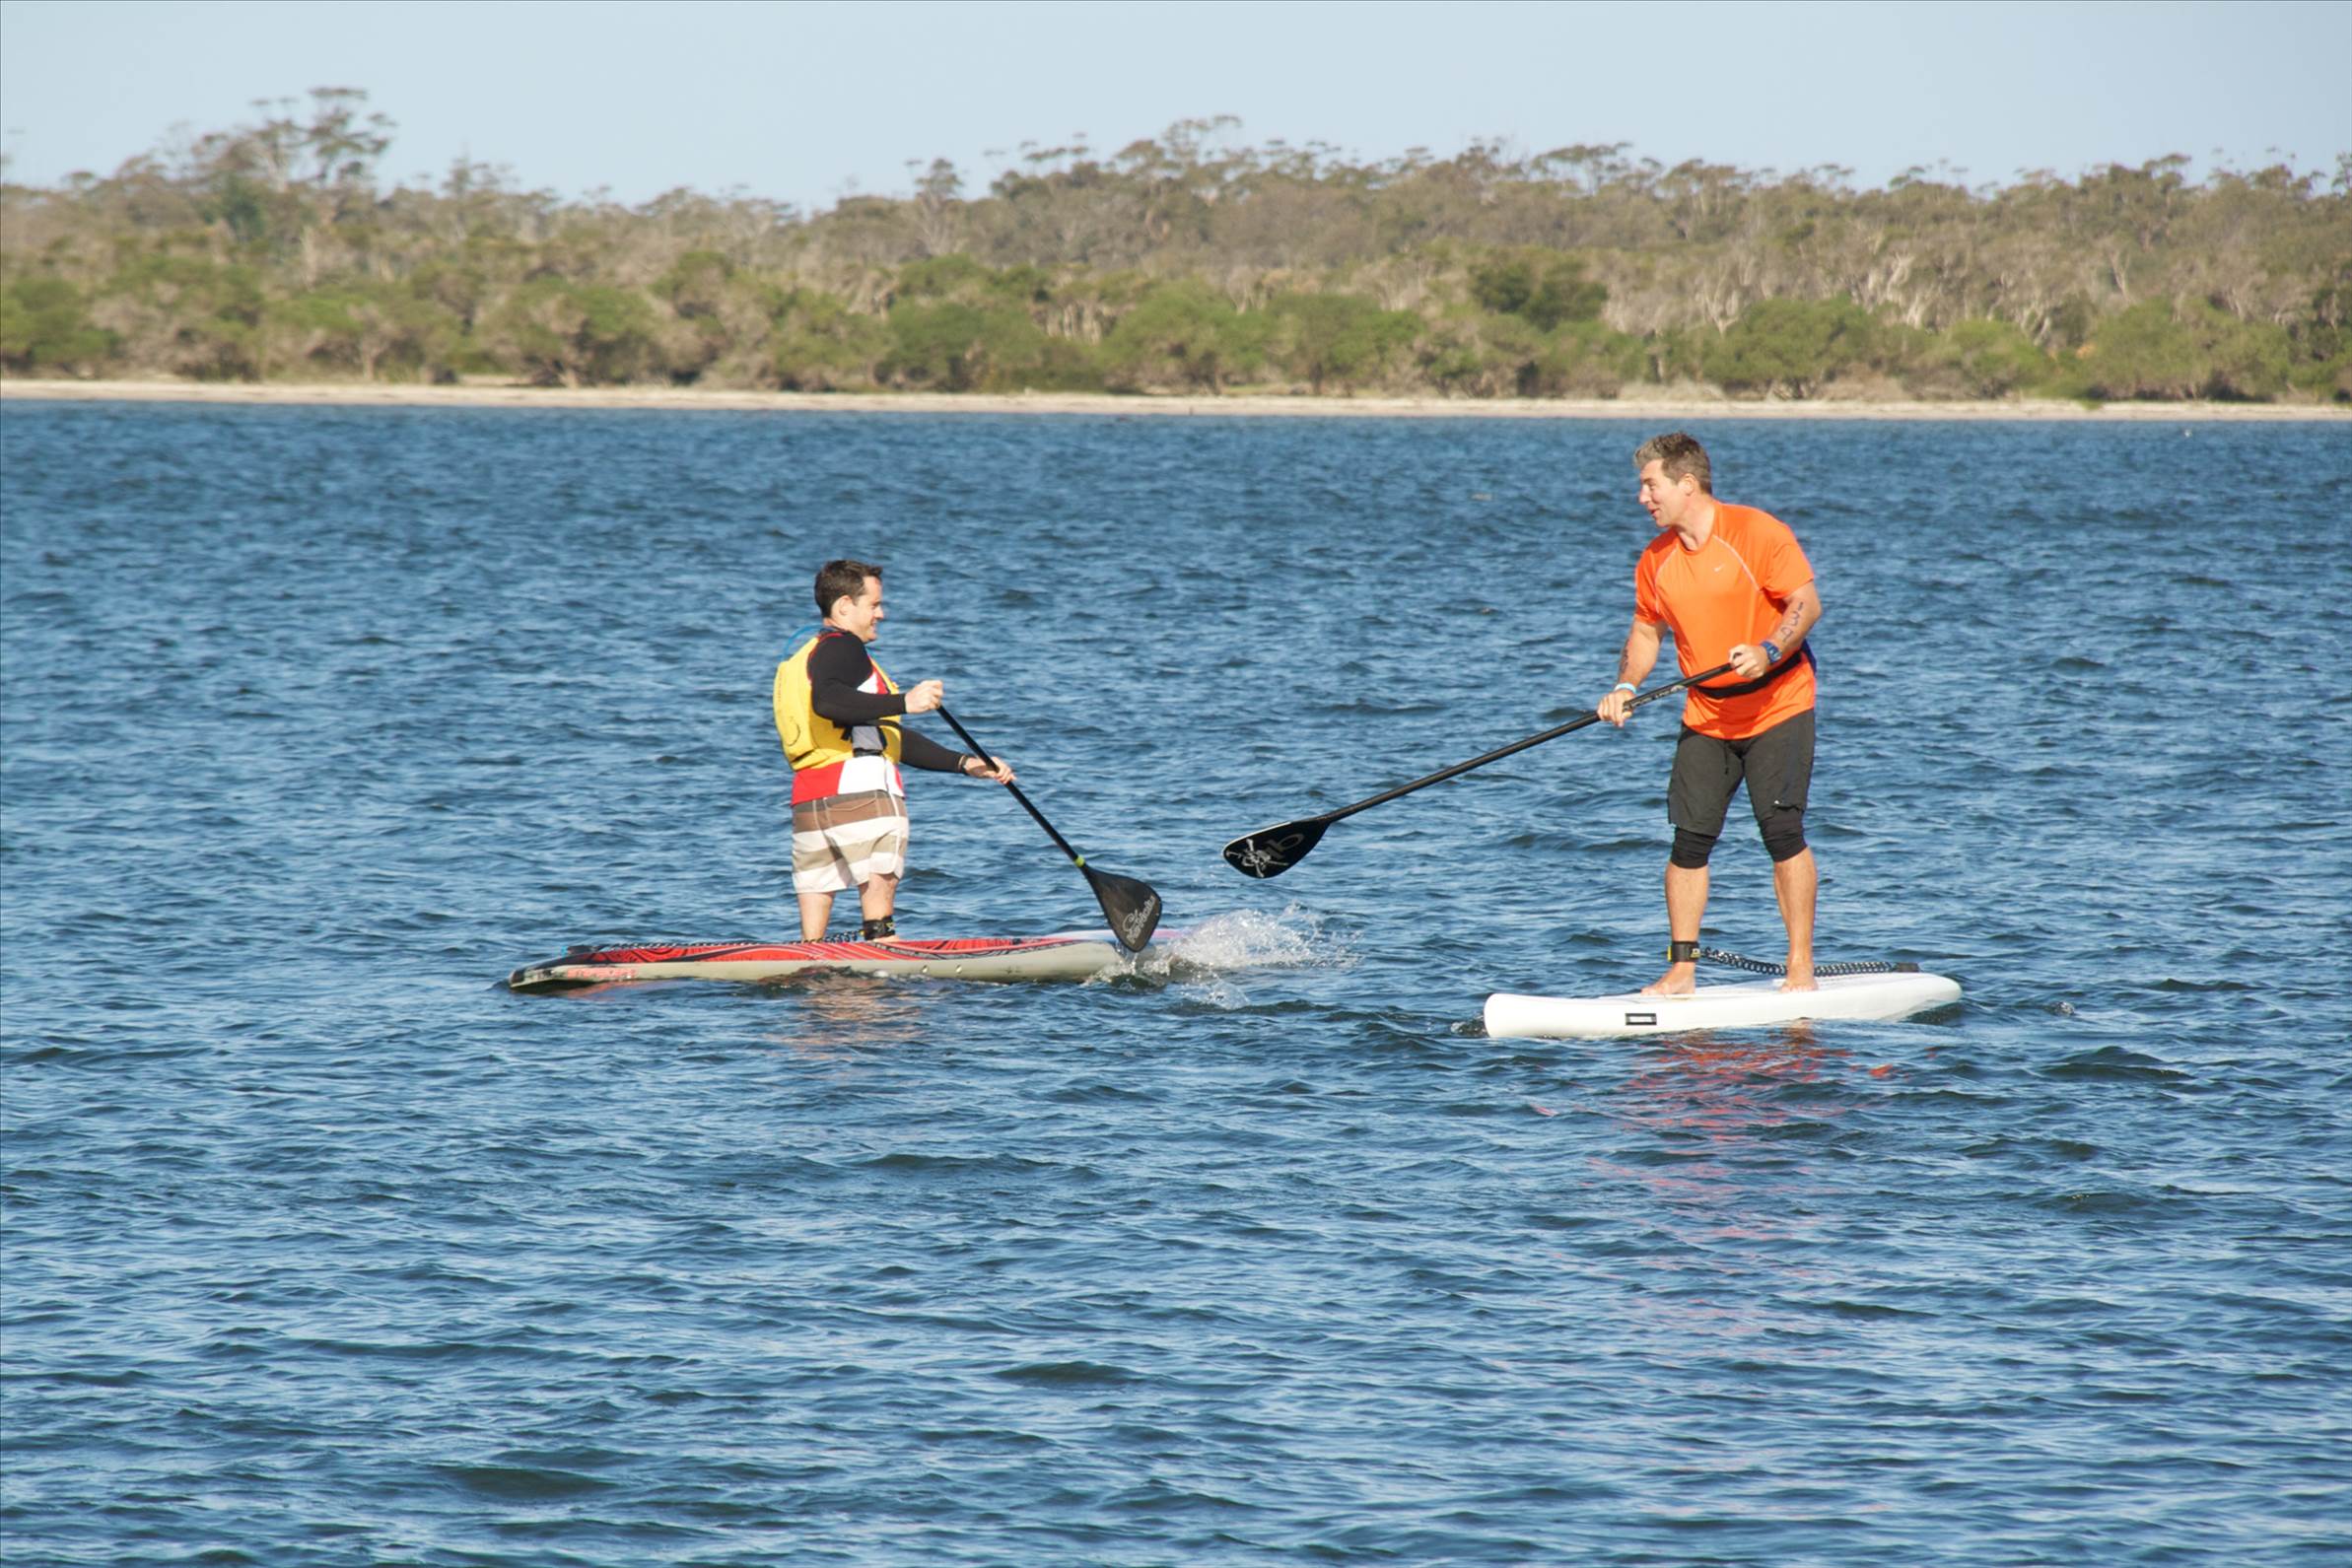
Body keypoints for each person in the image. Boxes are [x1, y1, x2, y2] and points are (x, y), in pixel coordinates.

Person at [1597, 433, 1824, 994]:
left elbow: (1806, 604)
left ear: (1686, 484)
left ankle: (1799, 966)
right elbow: (1646, 631)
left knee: (1782, 833)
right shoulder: (1655, 561)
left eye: (1650, 485)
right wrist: (1626, 684)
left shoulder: (1755, 533)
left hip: (1779, 704)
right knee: (1688, 842)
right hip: (1706, 716)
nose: (1642, 498)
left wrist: (1769, 648)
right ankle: (1682, 970)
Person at [773, 559, 1013, 941]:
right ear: (845, 606)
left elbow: (885, 737)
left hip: (810, 799)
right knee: (879, 927)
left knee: (814, 943)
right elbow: (829, 702)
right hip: (862, 792)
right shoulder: (845, 648)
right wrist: (906, 702)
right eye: (874, 605)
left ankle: (812, 963)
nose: (881, 614)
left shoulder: (805, 657)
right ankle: (883, 950)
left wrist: (965, 763)